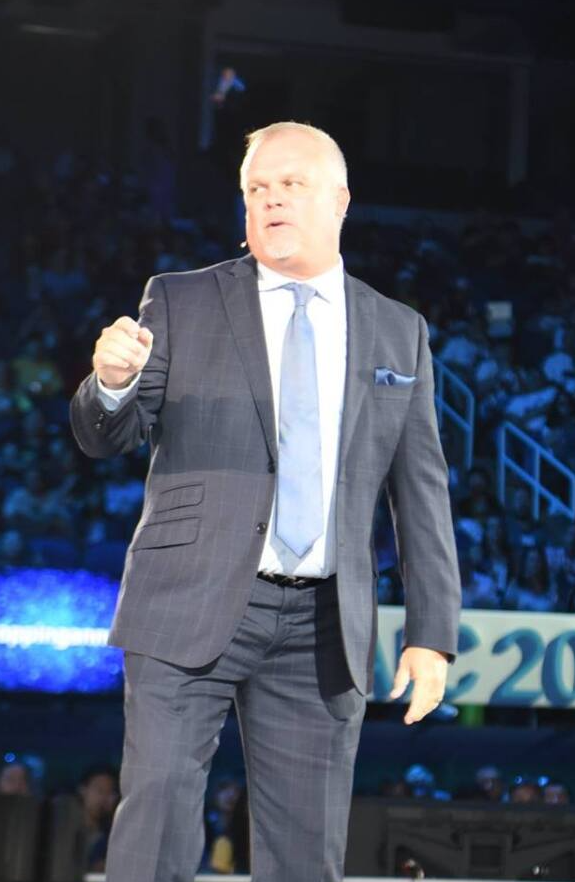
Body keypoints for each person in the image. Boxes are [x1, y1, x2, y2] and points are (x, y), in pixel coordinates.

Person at [70, 121, 461, 882]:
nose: (271, 199)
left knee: (306, 851)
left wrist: (431, 632)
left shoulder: (397, 330)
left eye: (291, 184)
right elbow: (104, 435)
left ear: (340, 200)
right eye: (257, 188)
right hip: (187, 597)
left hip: (324, 624)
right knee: (157, 818)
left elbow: (421, 488)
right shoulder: (179, 300)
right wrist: (111, 383)